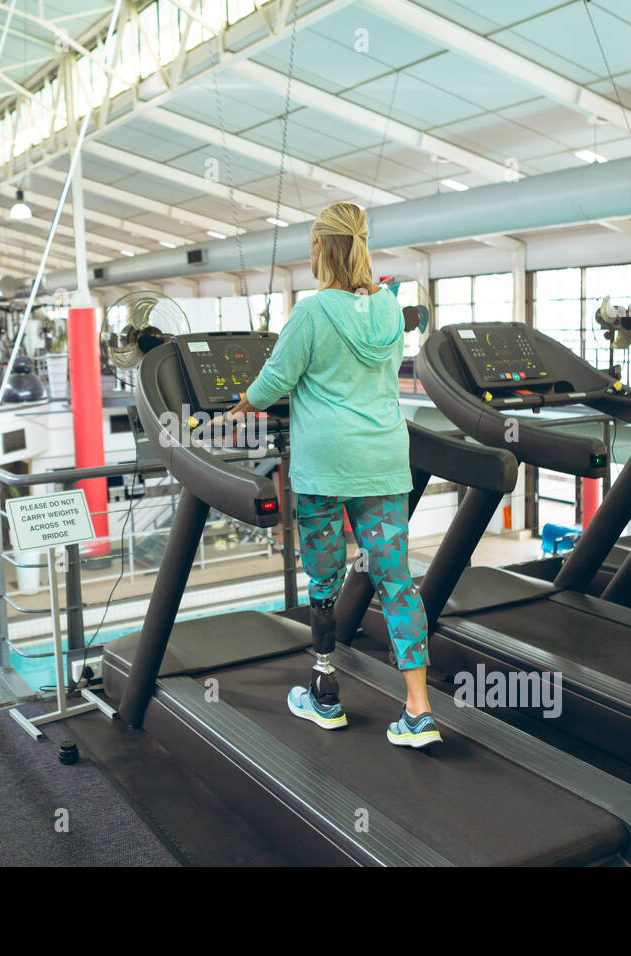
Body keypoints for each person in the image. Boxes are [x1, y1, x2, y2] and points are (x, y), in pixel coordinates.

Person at [223, 201, 438, 748]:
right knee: (397, 583)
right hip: (386, 463)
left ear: (319, 247)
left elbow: (274, 382)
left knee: (324, 580)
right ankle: (418, 711)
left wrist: (240, 405)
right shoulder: (392, 309)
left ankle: (325, 694)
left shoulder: (312, 313)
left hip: (324, 468)